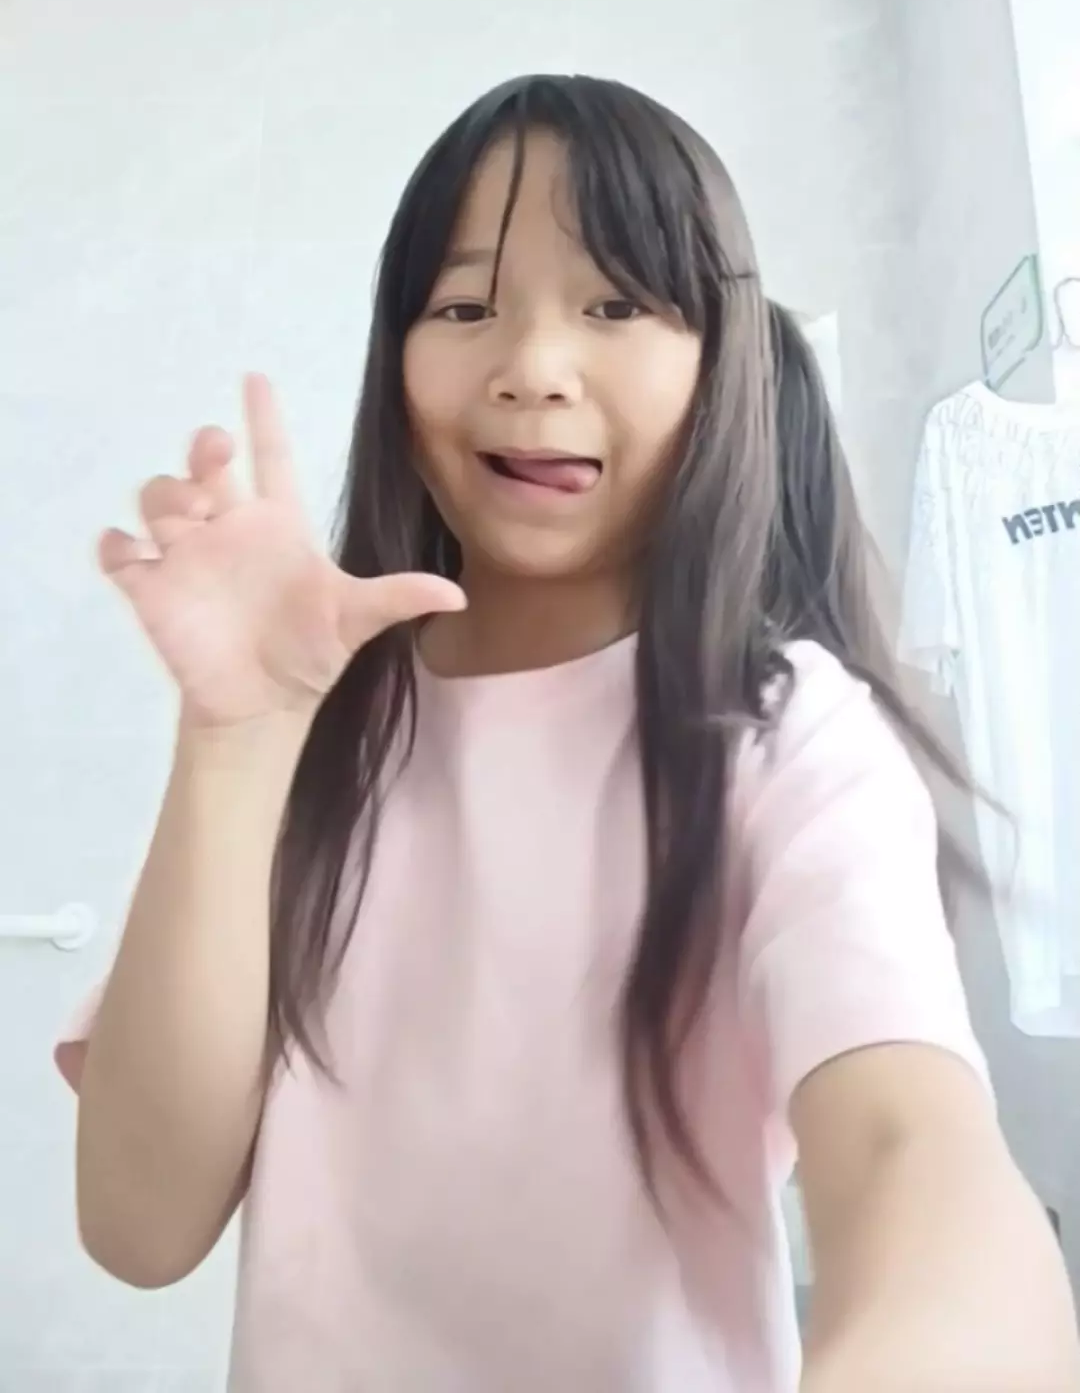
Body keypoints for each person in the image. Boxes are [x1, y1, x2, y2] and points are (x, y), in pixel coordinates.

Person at [57, 76, 1078, 1393]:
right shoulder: (308, 723)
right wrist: (234, 741)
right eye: (463, 307)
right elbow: (139, 1227)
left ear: (719, 357)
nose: (532, 369)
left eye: (615, 306)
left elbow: (912, 1149)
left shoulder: (783, 735)